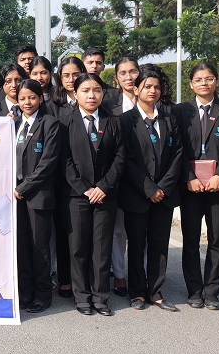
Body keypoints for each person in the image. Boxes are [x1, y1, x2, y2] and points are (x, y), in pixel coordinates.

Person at [173, 62, 219, 310]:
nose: (204, 83)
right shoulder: (180, 110)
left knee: (216, 239)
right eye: (199, 79)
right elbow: (177, 148)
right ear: (191, 83)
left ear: (216, 81)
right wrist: (189, 177)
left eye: (209, 78)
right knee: (190, 240)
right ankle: (194, 290)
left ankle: (212, 291)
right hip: (190, 186)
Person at [58, 72, 125, 316]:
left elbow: (120, 158)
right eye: (85, 90)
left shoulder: (113, 121)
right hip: (76, 197)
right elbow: (64, 160)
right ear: (75, 94)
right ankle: (82, 296)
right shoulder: (64, 122)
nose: (91, 95)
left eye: (96, 90)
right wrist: (84, 188)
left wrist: (103, 187)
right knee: (77, 248)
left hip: (105, 195)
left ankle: (100, 297)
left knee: (101, 248)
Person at [119, 66, 183, 311]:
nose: (152, 90)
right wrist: (148, 188)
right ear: (136, 90)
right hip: (137, 195)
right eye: (147, 86)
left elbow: (177, 155)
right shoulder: (125, 121)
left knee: (159, 246)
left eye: (156, 87)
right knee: (136, 246)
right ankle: (137, 293)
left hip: (164, 196)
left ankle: (156, 292)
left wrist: (163, 187)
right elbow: (125, 159)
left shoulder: (170, 119)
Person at [14, 79, 60, 314]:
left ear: (40, 99)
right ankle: (26, 292)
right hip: (16, 198)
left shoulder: (50, 124)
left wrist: (23, 188)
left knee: (40, 247)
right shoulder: (13, 125)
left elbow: (47, 163)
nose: (27, 102)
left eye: (32, 97)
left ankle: (43, 294)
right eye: (22, 98)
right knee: (22, 246)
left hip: (37, 195)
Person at [103, 56, 141, 296]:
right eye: (124, 73)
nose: (129, 77)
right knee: (117, 231)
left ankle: (143, 275)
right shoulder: (108, 106)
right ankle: (119, 276)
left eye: (133, 72)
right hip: (117, 178)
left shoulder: (155, 100)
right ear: (116, 78)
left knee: (141, 233)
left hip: (145, 179)